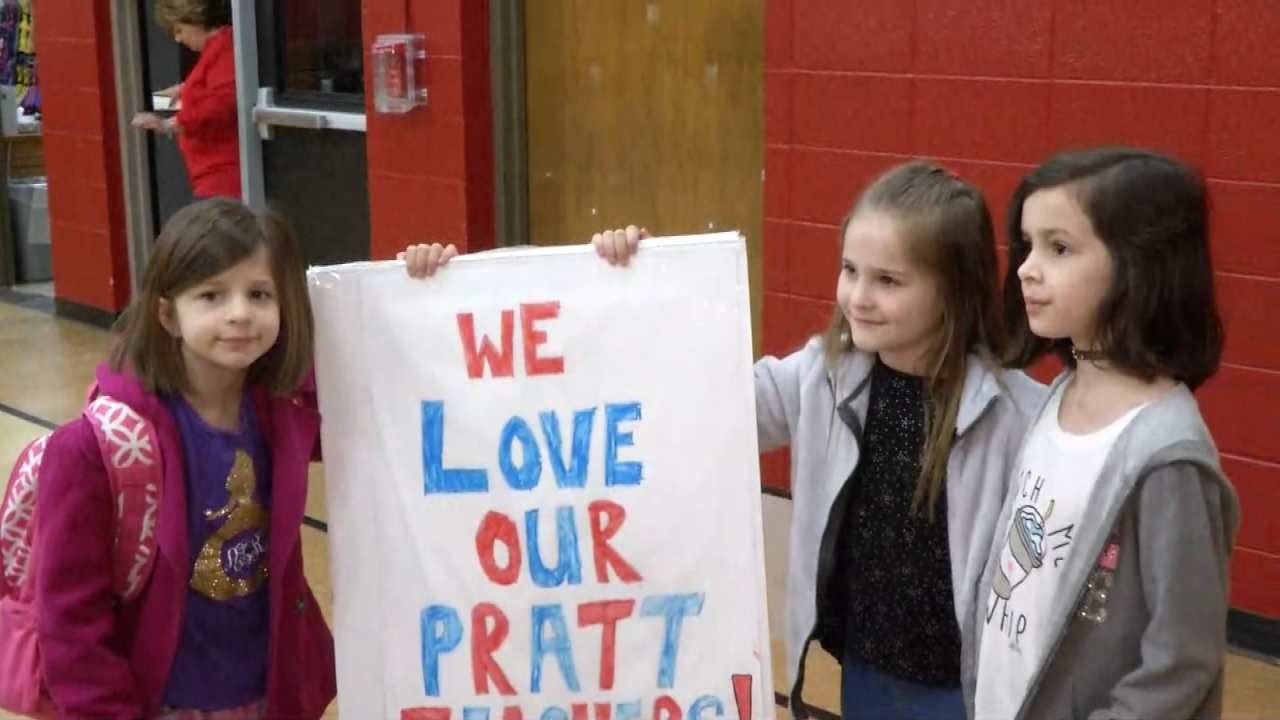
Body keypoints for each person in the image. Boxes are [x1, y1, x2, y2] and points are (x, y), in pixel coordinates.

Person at [592, 161, 1045, 720]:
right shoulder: (821, 375)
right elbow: (706, 405)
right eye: (850, 270)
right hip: (865, 672)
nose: (857, 296)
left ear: (954, 290)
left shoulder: (1016, 412)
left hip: (969, 691)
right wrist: (647, 288)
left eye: (888, 280)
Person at [34, 196, 455, 719]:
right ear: (167, 314)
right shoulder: (92, 450)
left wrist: (425, 294)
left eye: (259, 294)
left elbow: (394, 403)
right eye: (211, 295)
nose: (239, 314)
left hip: (271, 699)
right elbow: (69, 624)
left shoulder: (286, 413)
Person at [973, 147, 1240, 720]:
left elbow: (1182, 661)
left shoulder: (1168, 456)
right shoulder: (1057, 397)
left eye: (1060, 248)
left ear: (1138, 265)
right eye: (1027, 244)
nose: (1026, 267)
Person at [132, 0, 240, 199]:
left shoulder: (223, 47)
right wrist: (180, 93)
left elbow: (224, 102)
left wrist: (169, 124)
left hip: (222, 177)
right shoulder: (215, 49)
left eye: (179, 30)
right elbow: (206, 94)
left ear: (194, 19)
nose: (178, 39)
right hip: (209, 175)